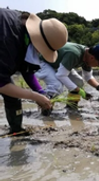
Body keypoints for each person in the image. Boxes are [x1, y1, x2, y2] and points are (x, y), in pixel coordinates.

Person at [0, 8, 68, 136]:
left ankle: (16, 130)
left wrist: (40, 92)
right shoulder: (8, 41)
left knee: (13, 96)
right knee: (10, 91)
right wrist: (34, 96)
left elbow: (27, 70)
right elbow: (1, 84)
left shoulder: (23, 31)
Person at [35, 42, 99, 113]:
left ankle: (71, 107)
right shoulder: (74, 54)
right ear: (92, 58)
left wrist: (98, 86)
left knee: (78, 81)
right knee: (56, 86)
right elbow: (61, 75)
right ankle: (46, 109)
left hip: (58, 64)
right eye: (98, 64)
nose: (97, 66)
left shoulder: (87, 57)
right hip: (42, 62)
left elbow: (88, 76)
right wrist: (80, 91)